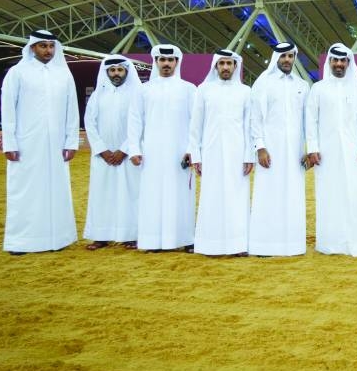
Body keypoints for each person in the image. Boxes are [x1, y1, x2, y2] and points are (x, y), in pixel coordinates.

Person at [1, 30, 79, 254]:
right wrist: (10, 143)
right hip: (26, 144)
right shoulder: (17, 73)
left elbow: (72, 111)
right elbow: (8, 110)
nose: (48, 50)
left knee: (56, 190)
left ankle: (57, 239)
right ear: (32, 47)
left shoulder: (63, 75)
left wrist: (71, 142)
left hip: (57, 145)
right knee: (25, 191)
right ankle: (21, 242)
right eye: (43, 46)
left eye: (51, 46)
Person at [127, 44, 197, 252]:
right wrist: (134, 149)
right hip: (152, 153)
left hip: (180, 153)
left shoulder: (189, 89)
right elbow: (135, 121)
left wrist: (192, 149)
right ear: (156, 62)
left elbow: (195, 123)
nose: (166, 63)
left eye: (170, 60)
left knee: (181, 196)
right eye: (162, 60)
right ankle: (153, 241)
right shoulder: (144, 90)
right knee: (153, 195)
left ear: (177, 62)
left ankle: (185, 239)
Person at [305, 43, 357, 256]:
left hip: (353, 152)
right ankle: (330, 242)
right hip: (326, 152)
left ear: (348, 63)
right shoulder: (318, 88)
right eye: (335, 60)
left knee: (354, 194)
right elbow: (311, 120)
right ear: (330, 62)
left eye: (343, 60)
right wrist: (313, 148)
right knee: (329, 195)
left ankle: (355, 241)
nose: (339, 64)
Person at [189, 49, 254, 256]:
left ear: (235, 66)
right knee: (211, 196)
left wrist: (249, 156)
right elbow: (195, 125)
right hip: (210, 153)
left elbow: (249, 126)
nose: (225, 67)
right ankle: (210, 245)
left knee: (237, 198)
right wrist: (196, 155)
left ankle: (238, 245)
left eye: (229, 63)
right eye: (222, 63)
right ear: (216, 66)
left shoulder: (245, 91)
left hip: (238, 154)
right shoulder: (204, 90)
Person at [248, 42, 310, 257]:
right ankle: (264, 246)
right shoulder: (263, 83)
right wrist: (260, 147)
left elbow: (307, 120)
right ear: (276, 58)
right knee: (268, 195)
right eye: (283, 56)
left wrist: (308, 149)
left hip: (295, 151)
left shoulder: (302, 85)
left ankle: (293, 244)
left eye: (291, 56)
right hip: (270, 150)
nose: (287, 60)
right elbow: (255, 117)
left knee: (293, 195)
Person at [83, 55, 141, 250]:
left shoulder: (137, 94)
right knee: (102, 194)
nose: (116, 73)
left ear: (126, 71)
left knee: (130, 194)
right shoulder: (98, 95)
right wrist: (102, 149)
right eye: (112, 70)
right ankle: (101, 236)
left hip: (128, 155)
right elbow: (89, 123)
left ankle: (131, 235)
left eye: (120, 70)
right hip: (103, 156)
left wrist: (124, 150)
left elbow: (140, 124)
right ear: (106, 72)